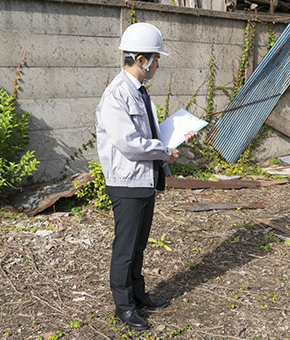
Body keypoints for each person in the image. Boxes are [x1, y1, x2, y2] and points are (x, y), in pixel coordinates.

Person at [95, 22, 196, 330]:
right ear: (141, 60)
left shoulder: (139, 94)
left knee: (139, 246)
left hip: (144, 181)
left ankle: (138, 295)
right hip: (126, 184)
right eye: (156, 58)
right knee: (125, 249)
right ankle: (123, 307)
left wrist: (173, 139)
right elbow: (129, 143)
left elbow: (146, 134)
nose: (157, 65)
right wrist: (165, 150)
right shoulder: (116, 96)